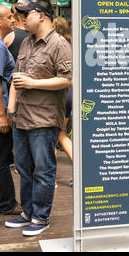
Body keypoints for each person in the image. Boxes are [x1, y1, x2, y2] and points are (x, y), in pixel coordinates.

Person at [5, 0, 72, 237]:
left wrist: (34, 83)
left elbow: (68, 79)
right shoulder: (26, 43)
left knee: (43, 171)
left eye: (26, 14)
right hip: (22, 118)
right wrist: (10, 109)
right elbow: (16, 78)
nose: (22, 19)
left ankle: (41, 217)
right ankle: (28, 213)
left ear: (41, 15)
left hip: (44, 120)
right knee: (24, 168)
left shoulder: (59, 44)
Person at [0, 5, 19, 215]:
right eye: (10, 17)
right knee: (1, 156)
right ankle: (7, 204)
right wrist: (2, 115)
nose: (14, 19)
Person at [52, 16, 72, 164]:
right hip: (71, 93)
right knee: (61, 133)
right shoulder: (73, 43)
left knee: (53, 135)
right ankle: (79, 172)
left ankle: (50, 179)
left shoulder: (55, 44)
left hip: (59, 93)